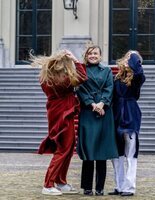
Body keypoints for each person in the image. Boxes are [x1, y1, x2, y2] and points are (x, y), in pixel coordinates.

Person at [30, 50, 87, 196]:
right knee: (63, 149)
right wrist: (75, 60)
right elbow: (82, 77)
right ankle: (48, 184)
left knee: (67, 148)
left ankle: (61, 182)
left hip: (57, 112)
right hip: (62, 114)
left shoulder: (47, 78)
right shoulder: (63, 80)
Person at [76, 45, 118, 196]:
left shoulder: (106, 70)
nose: (93, 56)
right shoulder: (81, 70)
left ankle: (100, 187)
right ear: (86, 56)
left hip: (104, 114)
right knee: (88, 152)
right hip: (88, 113)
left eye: (95, 53)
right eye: (90, 54)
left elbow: (110, 88)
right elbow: (80, 89)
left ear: (100, 56)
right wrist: (92, 104)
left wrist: (102, 103)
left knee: (102, 153)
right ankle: (87, 187)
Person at [108, 50, 146, 196]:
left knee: (131, 153)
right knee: (117, 154)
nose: (128, 59)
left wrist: (134, 56)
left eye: (132, 58)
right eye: (127, 56)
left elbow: (138, 71)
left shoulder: (137, 78)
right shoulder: (116, 78)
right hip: (116, 115)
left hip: (130, 115)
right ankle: (120, 185)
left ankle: (129, 187)